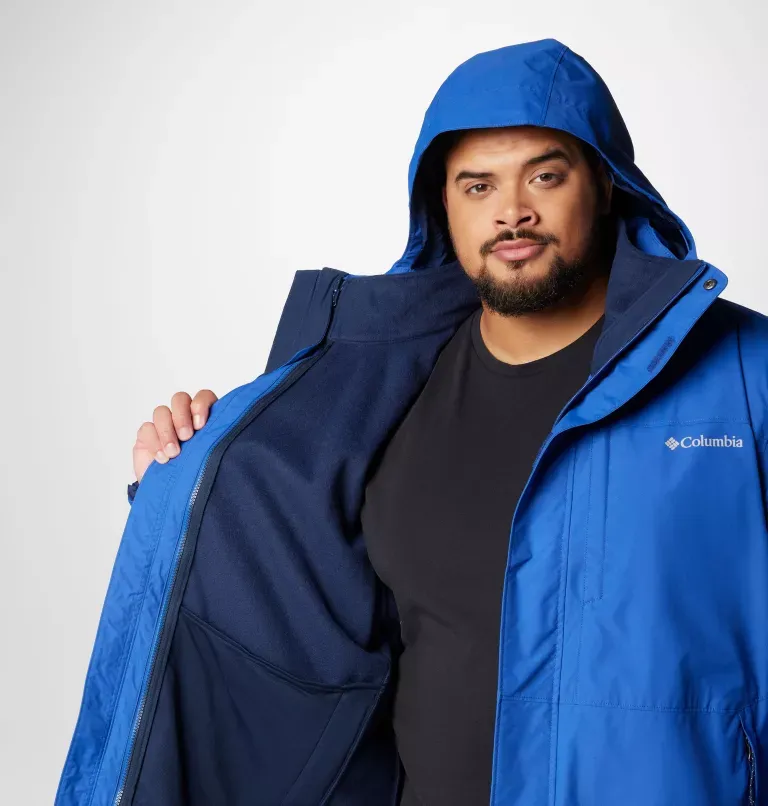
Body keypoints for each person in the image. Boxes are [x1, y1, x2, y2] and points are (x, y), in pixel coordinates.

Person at [56, 38, 768, 806]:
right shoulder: (375, 394)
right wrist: (187, 486)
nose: (512, 210)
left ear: (605, 184)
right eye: (478, 185)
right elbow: (283, 623)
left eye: (545, 175)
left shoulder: (743, 376)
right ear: (442, 207)